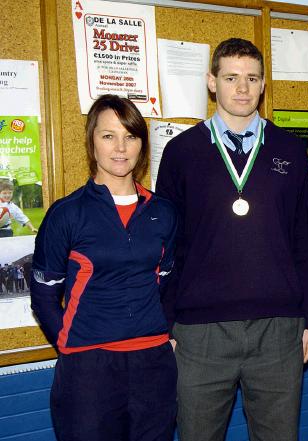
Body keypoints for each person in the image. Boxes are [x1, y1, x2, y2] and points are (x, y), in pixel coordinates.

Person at [155, 38, 308, 441]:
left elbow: (304, 239)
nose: (242, 88)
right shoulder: (181, 152)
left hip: (278, 330)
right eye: (231, 78)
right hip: (200, 332)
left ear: (263, 84)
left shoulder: (291, 150)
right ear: (212, 82)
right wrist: (167, 323)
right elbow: (166, 245)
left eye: (251, 78)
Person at [30, 94, 178, 441]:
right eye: (108, 135)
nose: (121, 147)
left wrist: (162, 337)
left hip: (153, 365)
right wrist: (70, 345)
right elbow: (44, 296)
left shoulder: (164, 212)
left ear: (142, 143)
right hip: (88, 370)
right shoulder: (67, 214)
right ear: (91, 141)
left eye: (130, 136)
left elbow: (167, 284)